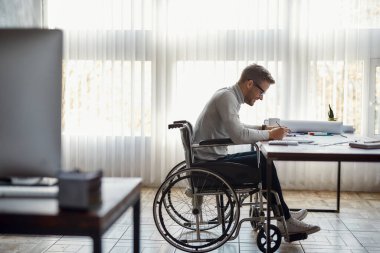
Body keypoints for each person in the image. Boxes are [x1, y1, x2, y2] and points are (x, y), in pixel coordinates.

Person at [192, 63, 320, 236]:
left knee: (262, 158)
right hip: (209, 165)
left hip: (211, 160)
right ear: (250, 83)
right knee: (265, 163)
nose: (261, 98)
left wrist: (263, 128)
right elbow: (239, 135)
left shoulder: (228, 95)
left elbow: (237, 127)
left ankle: (284, 214)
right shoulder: (227, 98)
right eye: (262, 92)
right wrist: (271, 135)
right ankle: (285, 219)